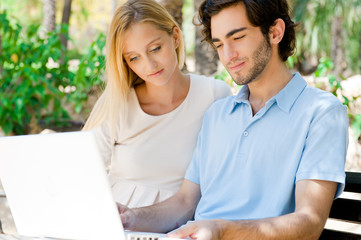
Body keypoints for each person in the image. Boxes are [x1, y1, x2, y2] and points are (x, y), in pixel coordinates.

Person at [117, 0, 349, 239]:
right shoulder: (217, 114)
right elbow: (185, 202)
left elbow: (309, 223)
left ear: (275, 32)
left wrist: (222, 231)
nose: (228, 56)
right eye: (219, 44)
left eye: (237, 38)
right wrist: (130, 217)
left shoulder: (321, 113)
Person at [82, 0, 231, 208]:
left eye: (155, 48)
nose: (149, 65)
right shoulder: (117, 105)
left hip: (185, 226)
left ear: (176, 37)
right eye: (134, 58)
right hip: (121, 226)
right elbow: (80, 172)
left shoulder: (213, 95)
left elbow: (229, 175)